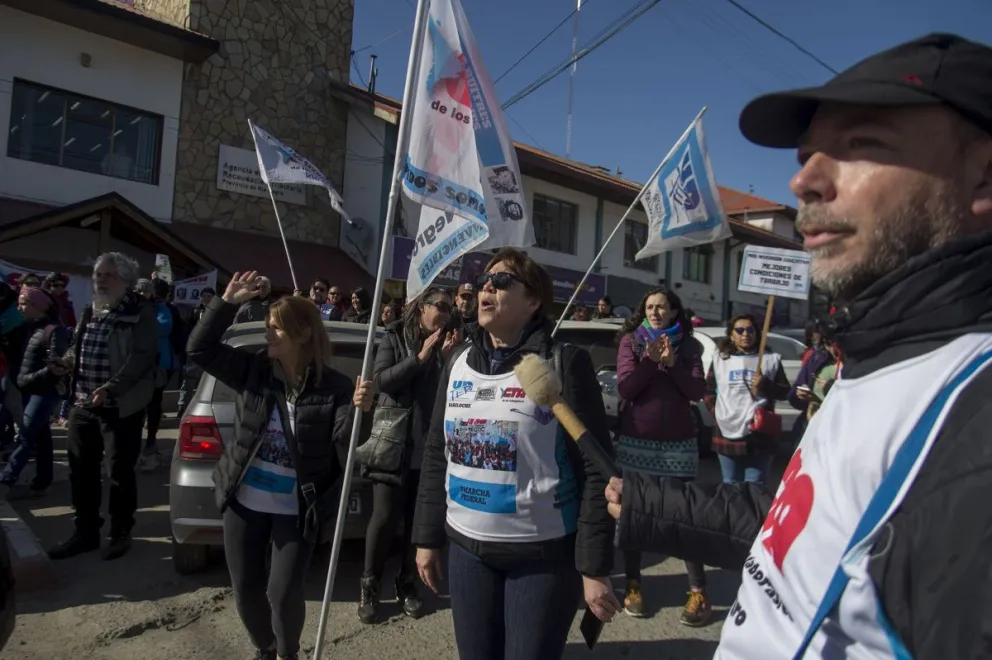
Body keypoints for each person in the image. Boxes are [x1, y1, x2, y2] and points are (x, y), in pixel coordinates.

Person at [605, 33, 992, 658]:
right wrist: (654, 504)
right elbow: (808, 528)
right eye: (809, 153)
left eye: (862, 144)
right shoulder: (880, 358)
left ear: (984, 178)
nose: (803, 180)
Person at [413, 248, 619, 660]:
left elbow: (597, 472)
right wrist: (426, 538)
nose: (487, 286)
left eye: (503, 281)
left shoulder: (564, 362)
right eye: (484, 280)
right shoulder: (455, 363)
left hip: (541, 559)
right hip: (467, 553)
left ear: (534, 300)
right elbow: (438, 453)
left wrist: (594, 568)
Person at [186, 271, 374, 660]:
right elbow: (199, 350)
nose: (269, 334)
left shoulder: (336, 387)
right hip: (244, 502)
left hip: (296, 509)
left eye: (277, 328)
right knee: (246, 589)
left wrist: (362, 411)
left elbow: (346, 441)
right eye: (268, 327)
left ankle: (288, 654)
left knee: (283, 593)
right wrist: (227, 303)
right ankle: (265, 647)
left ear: (303, 335)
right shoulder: (253, 370)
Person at [47, 252, 157, 561]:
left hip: (121, 406)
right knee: (80, 470)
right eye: (98, 275)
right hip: (83, 402)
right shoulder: (90, 309)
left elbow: (142, 357)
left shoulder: (140, 312)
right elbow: (76, 346)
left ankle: (120, 531)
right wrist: (66, 362)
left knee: (119, 471)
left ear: (125, 280)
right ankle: (85, 532)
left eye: (108, 275)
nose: (100, 280)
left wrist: (111, 389)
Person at [359, 286, 457, 624]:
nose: (446, 314)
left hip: (428, 450)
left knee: (418, 523)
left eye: (449, 309)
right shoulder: (394, 337)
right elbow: (382, 380)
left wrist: (444, 359)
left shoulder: (448, 345)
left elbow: (449, 395)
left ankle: (407, 582)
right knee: (384, 519)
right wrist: (418, 359)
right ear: (421, 308)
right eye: (440, 306)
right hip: (393, 445)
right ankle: (370, 586)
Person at [614, 287, 709, 623]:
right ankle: (633, 584)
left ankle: (698, 591)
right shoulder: (631, 342)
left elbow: (697, 391)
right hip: (635, 443)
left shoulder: (689, 346)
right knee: (635, 517)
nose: (655, 312)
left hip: (678, 446)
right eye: (650, 307)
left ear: (673, 313)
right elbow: (626, 388)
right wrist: (651, 361)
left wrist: (672, 364)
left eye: (661, 307)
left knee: (683, 519)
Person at [0, 288, 69, 499]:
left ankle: (5, 480)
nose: (19, 308)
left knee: (25, 436)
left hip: (44, 392)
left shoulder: (53, 331)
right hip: (28, 390)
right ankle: (42, 482)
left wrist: (29, 378)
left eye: (23, 304)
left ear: (36, 306)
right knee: (41, 437)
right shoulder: (26, 329)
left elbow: (57, 367)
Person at [706, 314, 790, 486]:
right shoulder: (720, 360)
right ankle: (732, 514)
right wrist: (718, 413)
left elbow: (784, 393)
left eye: (750, 330)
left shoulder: (770, 360)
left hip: (758, 433)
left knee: (756, 485)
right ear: (731, 335)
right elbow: (708, 390)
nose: (746, 334)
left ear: (757, 334)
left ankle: (754, 514)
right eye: (740, 330)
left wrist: (766, 384)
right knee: (730, 483)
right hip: (726, 430)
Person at [139, 278, 186, 472]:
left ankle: (151, 441)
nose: (141, 294)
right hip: (136, 362)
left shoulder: (162, 308)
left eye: (145, 291)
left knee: (153, 402)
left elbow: (163, 328)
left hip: (158, 362)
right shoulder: (130, 306)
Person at [176, 287, 214, 418]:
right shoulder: (195, 311)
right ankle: (183, 406)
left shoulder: (218, 312)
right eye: (204, 296)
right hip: (194, 349)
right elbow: (187, 328)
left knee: (208, 379)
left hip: (211, 350)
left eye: (209, 296)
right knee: (189, 377)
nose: (207, 298)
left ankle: (206, 408)